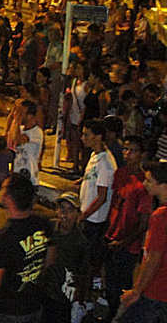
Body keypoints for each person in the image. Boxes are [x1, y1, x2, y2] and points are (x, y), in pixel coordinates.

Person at [0, 173, 54, 322]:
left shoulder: (0, 240)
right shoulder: (43, 224)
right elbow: (50, 261)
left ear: (8, 198)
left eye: (2, 188)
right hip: (34, 305)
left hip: (6, 311)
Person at [104, 135, 150, 319]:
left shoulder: (144, 183)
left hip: (128, 245)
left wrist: (123, 242)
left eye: (133, 150)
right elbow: (114, 204)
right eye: (125, 149)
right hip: (111, 236)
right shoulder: (120, 174)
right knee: (110, 285)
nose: (128, 154)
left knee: (122, 286)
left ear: (142, 154)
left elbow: (143, 222)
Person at [117, 161, 167, 322]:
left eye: (150, 181)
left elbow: (153, 258)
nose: (145, 184)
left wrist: (137, 290)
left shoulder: (160, 216)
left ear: (164, 186)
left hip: (154, 292)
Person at [40, 191, 90, 323]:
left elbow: (83, 272)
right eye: (62, 208)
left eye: (70, 210)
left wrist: (79, 299)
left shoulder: (80, 241)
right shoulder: (49, 227)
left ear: (78, 214)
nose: (64, 214)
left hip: (63, 295)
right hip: (43, 290)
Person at [78, 118, 116, 286]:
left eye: (87, 135)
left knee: (89, 257)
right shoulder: (95, 155)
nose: (82, 138)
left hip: (94, 219)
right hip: (88, 214)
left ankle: (91, 286)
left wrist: (83, 215)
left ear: (99, 137)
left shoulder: (106, 163)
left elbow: (101, 198)